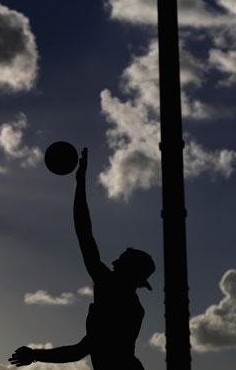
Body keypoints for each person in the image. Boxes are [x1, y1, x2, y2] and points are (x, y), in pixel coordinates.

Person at [9, 147, 155, 370]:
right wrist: (80, 183)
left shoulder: (120, 300)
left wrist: (35, 354)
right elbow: (84, 233)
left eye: (120, 261)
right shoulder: (116, 292)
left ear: (129, 273)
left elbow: (79, 351)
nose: (113, 263)